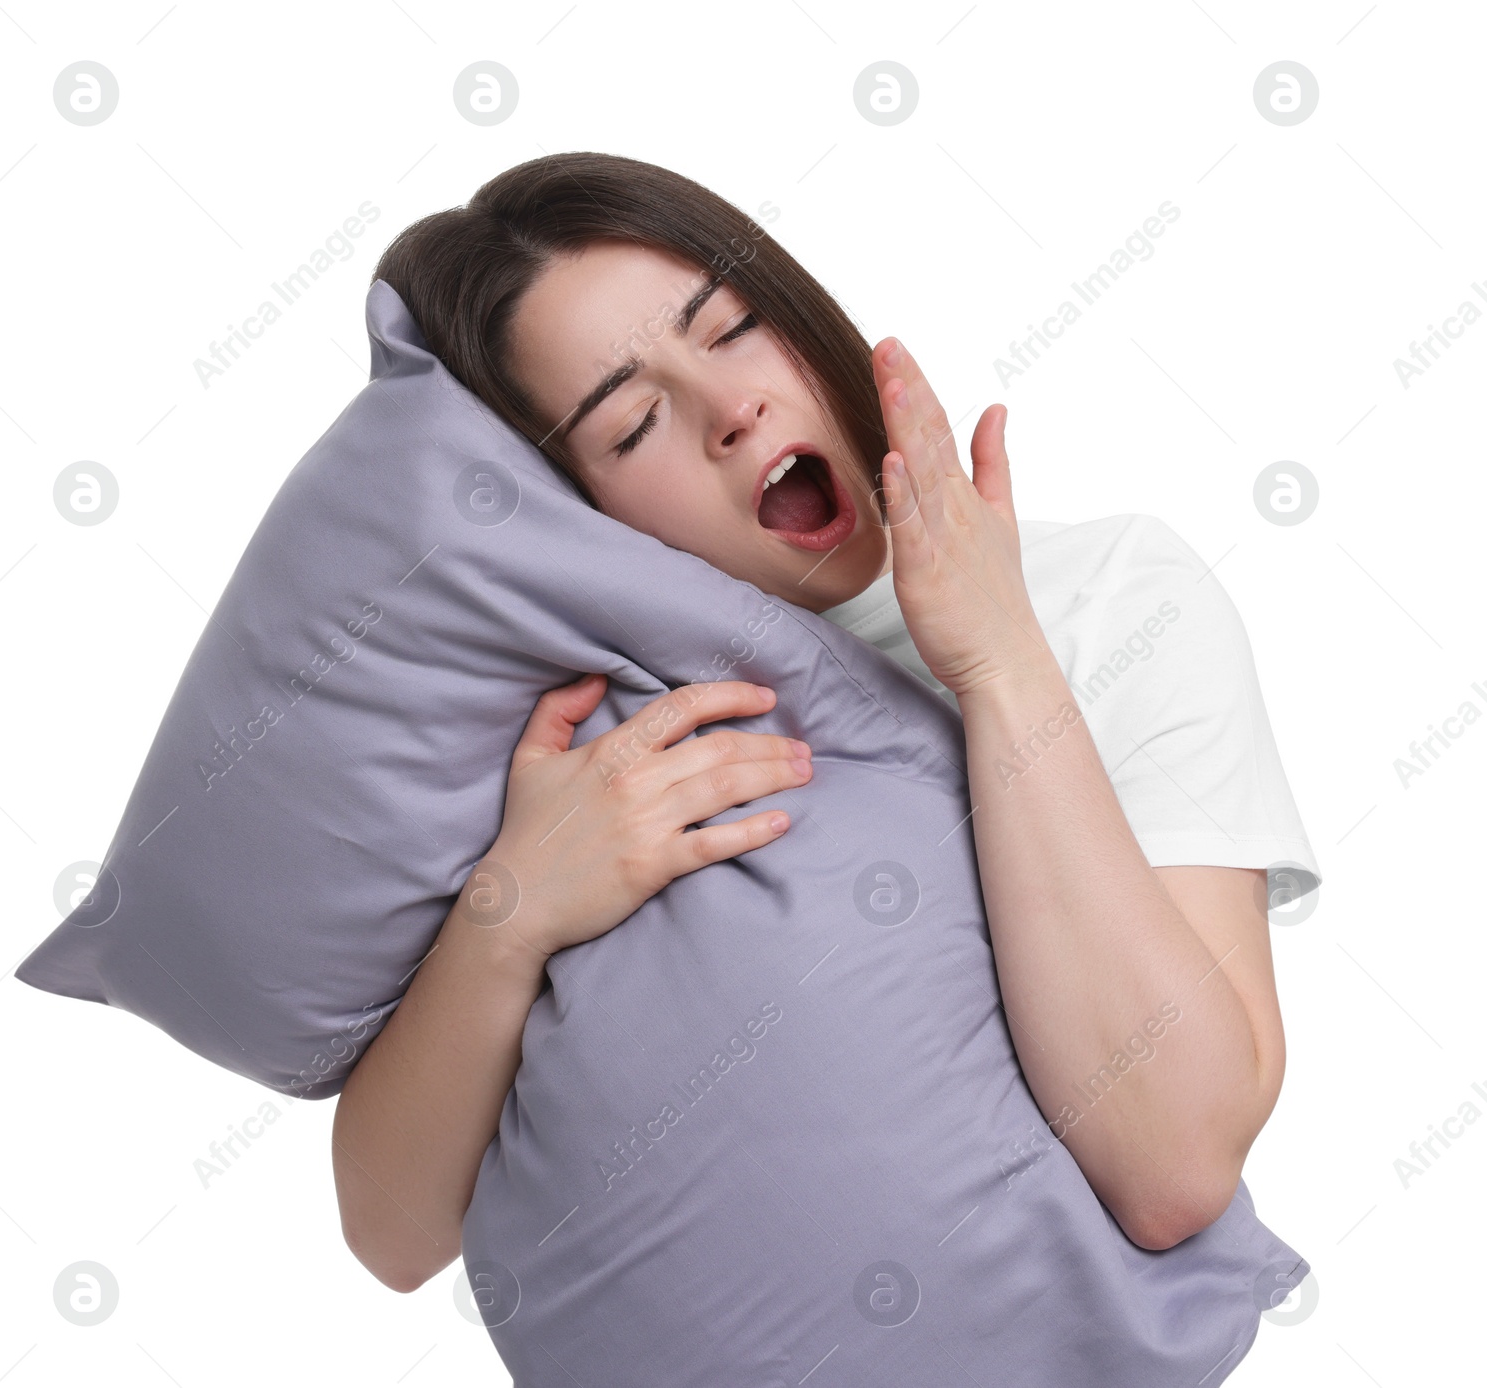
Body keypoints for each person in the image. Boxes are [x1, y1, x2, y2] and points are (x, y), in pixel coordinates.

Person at [332, 151, 1320, 1355]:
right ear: (567, 514)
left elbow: (1171, 1159)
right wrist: (512, 910)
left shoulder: (1110, 603)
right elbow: (392, 1234)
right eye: (635, 421)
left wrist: (1000, 661)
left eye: (735, 328)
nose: (728, 407)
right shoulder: (590, 739)